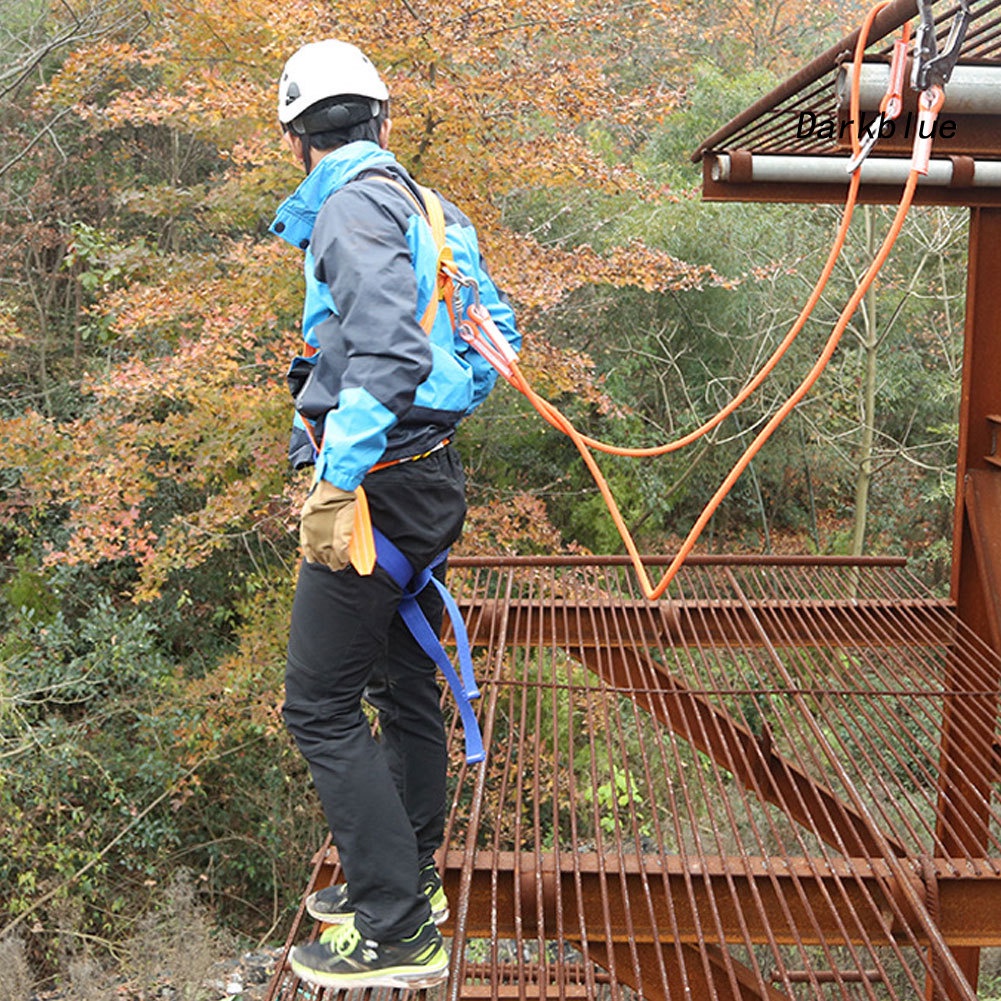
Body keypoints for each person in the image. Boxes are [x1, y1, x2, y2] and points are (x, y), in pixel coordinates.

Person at [270, 39, 519, 991]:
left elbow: (383, 349)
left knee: (319, 707)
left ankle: (395, 927)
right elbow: (500, 336)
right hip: (428, 481)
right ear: (382, 118)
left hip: (375, 491)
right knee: (402, 682)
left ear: (298, 136)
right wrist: (429, 432)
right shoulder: (428, 208)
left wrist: (342, 470)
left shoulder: (344, 205)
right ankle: (410, 871)